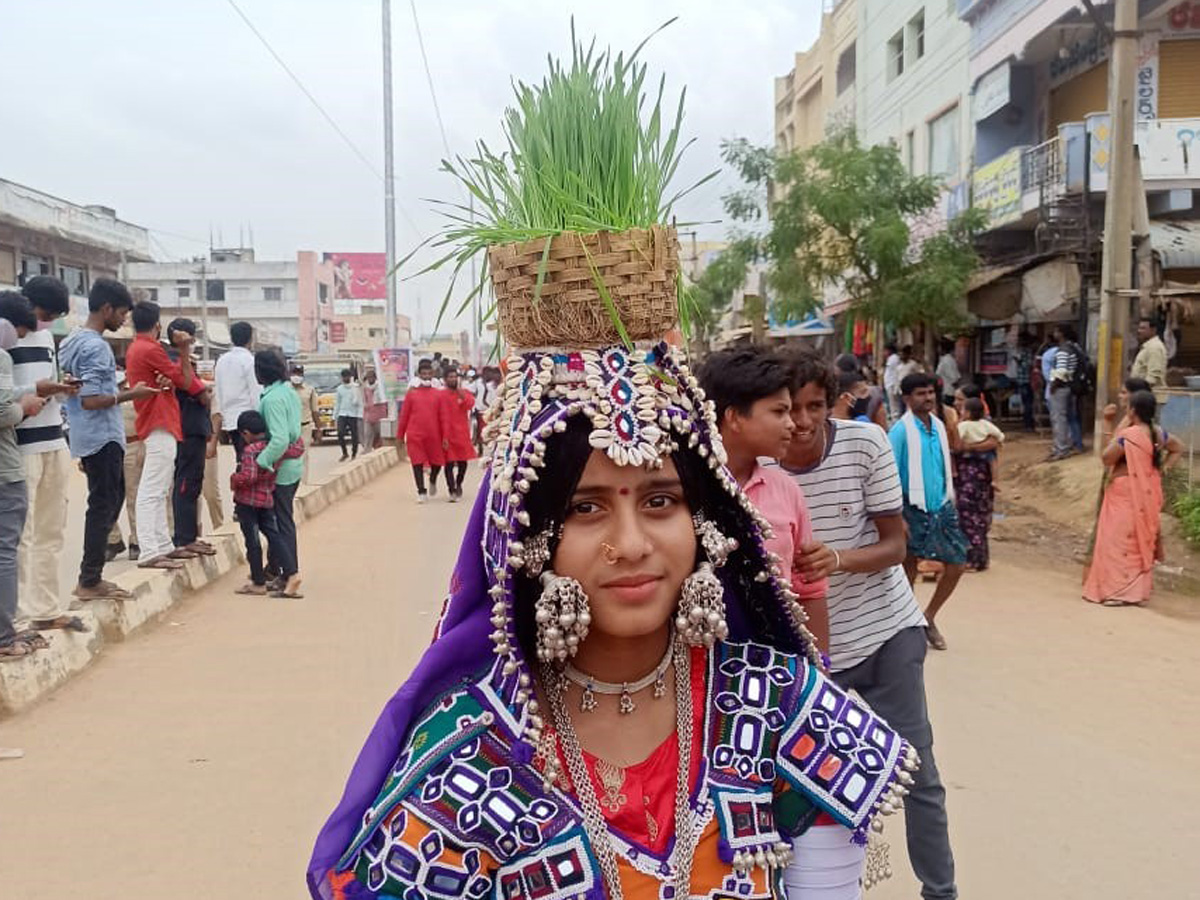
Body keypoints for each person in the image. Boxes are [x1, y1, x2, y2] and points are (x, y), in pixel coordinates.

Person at [307, 338, 915, 900]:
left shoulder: (782, 709)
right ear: (532, 537)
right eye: (586, 507)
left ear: (703, 526)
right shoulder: (474, 754)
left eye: (660, 501)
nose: (630, 544)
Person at [783, 352, 959, 900]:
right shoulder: (760, 466)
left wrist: (836, 559)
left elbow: (895, 544)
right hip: (814, 657)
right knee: (814, 784)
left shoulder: (865, 444)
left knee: (915, 773)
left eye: (817, 405)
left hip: (886, 634)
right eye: (791, 408)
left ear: (838, 401)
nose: (804, 421)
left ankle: (942, 891)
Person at [697, 348, 829, 651]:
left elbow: (809, 588)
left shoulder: (788, 491)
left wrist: (820, 673)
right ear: (734, 417)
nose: (792, 424)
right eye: (779, 412)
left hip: (773, 666)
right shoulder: (683, 489)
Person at [60, 279, 157, 601]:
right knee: (104, 504)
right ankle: (89, 579)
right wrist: (132, 394)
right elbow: (91, 399)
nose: (124, 320)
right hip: (101, 435)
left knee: (108, 501)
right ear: (106, 309)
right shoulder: (96, 347)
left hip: (88, 434)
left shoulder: (72, 340)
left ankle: (92, 575)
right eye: (122, 313)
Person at [1, 285, 84, 635]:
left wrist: (59, 388)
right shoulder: (9, 338)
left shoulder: (47, 339)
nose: (47, 322)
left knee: (52, 530)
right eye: (45, 315)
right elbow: (7, 397)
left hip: (53, 438)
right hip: (21, 445)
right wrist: (36, 392)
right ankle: (14, 618)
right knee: (19, 537)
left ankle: (46, 608)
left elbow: (41, 385)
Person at [889, 374, 970, 651]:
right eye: (921, 393)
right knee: (908, 568)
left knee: (957, 562)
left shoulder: (938, 425)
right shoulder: (899, 432)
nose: (928, 398)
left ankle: (929, 616)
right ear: (907, 399)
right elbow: (888, 475)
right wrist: (897, 516)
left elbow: (943, 466)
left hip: (941, 506)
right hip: (911, 506)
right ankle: (909, 625)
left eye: (930, 392)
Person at [125, 301, 206, 570]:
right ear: (157, 325)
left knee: (159, 489)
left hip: (158, 421)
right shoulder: (151, 349)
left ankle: (161, 545)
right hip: (159, 422)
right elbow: (185, 380)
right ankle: (150, 549)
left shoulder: (139, 349)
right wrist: (183, 351)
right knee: (153, 489)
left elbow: (176, 380)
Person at [1085, 391, 1170, 606]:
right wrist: (1160, 471)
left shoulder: (1130, 435)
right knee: (1136, 540)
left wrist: (1109, 426)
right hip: (1146, 493)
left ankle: (1118, 591)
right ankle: (1135, 591)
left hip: (1124, 493)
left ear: (1132, 411)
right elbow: (1177, 447)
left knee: (1117, 541)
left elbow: (1106, 458)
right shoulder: (1157, 433)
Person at [0, 311, 51, 660]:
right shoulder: (1, 357)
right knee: (6, 551)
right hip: (5, 470)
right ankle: (4, 637)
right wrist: (26, 407)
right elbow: (3, 413)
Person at [230, 410, 298, 597]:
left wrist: (235, 479)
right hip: (267, 498)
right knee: (274, 537)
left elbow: (249, 476)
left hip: (248, 502)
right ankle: (291, 572)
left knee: (252, 541)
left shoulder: (250, 451)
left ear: (245, 433)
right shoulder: (274, 446)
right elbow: (297, 448)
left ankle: (258, 582)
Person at [164, 318, 217, 559]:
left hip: (194, 429)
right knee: (186, 485)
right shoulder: (177, 364)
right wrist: (204, 390)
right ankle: (184, 539)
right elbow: (202, 396)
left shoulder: (186, 364)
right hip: (187, 430)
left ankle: (189, 536)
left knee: (192, 484)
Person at [255, 350, 304, 598]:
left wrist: (260, 462)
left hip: (280, 469)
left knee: (280, 523)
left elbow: (280, 439)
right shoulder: (288, 392)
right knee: (281, 520)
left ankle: (291, 573)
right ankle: (279, 571)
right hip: (293, 467)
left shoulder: (273, 399)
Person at [955, 398, 1005, 572]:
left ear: (967, 412)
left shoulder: (963, 426)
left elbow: (956, 444)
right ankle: (981, 559)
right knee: (981, 518)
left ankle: (973, 560)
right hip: (984, 476)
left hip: (967, 476)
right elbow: (998, 439)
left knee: (968, 518)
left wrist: (968, 447)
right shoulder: (986, 426)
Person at [106, 363, 146, 561]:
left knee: (133, 495)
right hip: (112, 448)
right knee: (107, 496)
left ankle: (136, 540)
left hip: (133, 445)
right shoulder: (106, 398)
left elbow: (146, 422)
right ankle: (113, 540)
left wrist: (143, 447)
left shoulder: (136, 395)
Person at [396, 358, 445, 503]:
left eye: (429, 374)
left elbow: (443, 417)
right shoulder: (412, 393)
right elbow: (404, 415)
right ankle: (421, 491)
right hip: (415, 434)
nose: (426, 377)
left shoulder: (438, 393)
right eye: (423, 374)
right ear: (419, 374)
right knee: (416, 463)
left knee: (437, 463)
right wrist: (400, 436)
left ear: (432, 374)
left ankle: (433, 479)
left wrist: (446, 436)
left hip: (434, 434)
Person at [214, 321, 258, 457]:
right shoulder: (249, 360)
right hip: (248, 419)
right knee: (250, 459)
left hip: (230, 419)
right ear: (250, 339)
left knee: (240, 457)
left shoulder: (221, 361)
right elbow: (255, 391)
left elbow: (218, 391)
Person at [438, 367, 475, 502]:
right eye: (450, 377)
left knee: (462, 463)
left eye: (455, 376)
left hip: (461, 434)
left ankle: (459, 483)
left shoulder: (464, 392)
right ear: (445, 379)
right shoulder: (440, 395)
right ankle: (451, 489)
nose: (453, 379)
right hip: (446, 434)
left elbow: (470, 404)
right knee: (448, 464)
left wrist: (461, 395)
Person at [291, 364, 320, 481]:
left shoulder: (310, 390)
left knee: (303, 456)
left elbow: (315, 411)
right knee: (289, 457)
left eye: (299, 373)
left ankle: (303, 483)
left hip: (305, 427)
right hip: (289, 427)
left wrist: (319, 429)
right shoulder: (285, 389)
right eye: (294, 373)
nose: (296, 376)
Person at [1131, 316, 1168, 390]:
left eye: (1143, 328)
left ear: (1153, 330)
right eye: (1139, 328)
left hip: (1149, 396)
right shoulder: (1147, 347)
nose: (1139, 331)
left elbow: (1152, 378)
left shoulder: (1154, 347)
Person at [334, 368, 363, 461]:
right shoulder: (339, 389)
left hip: (353, 414)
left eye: (347, 376)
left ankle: (354, 453)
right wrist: (335, 416)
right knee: (340, 433)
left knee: (354, 435)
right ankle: (344, 453)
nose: (345, 378)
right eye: (344, 377)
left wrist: (360, 414)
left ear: (350, 377)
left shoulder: (356, 387)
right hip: (342, 413)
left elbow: (359, 402)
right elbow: (337, 403)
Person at [360, 367, 387, 453]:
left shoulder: (381, 387)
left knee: (381, 436)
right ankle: (367, 451)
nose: (370, 379)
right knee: (367, 435)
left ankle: (380, 451)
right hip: (369, 415)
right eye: (368, 377)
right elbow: (364, 400)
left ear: (375, 377)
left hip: (380, 414)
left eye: (371, 377)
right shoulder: (365, 388)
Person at [1013, 332, 1036, 432]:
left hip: (1026, 380)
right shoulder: (1022, 351)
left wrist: (1019, 362)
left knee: (1027, 403)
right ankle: (1028, 424)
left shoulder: (1025, 352)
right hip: (1023, 380)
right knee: (1026, 402)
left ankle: (1028, 425)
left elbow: (1028, 365)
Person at [935, 340, 961, 406]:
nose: (938, 349)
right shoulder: (945, 359)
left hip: (948, 393)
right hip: (945, 392)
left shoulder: (947, 361)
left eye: (939, 347)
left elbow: (954, 378)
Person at [883, 341, 902, 420]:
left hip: (892, 384)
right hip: (890, 384)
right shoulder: (891, 359)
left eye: (885, 350)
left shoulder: (893, 358)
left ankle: (895, 420)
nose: (884, 353)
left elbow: (895, 373)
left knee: (894, 405)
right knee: (892, 405)